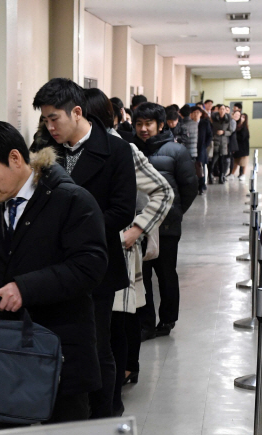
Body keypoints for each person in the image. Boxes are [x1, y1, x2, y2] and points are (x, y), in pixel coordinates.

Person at [0, 121, 108, 424]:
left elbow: (89, 267)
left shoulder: (70, 200)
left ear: (16, 158)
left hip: (59, 349)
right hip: (5, 353)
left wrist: (24, 288)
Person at [32, 78, 137, 418]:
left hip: (96, 263)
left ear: (76, 112)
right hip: (52, 265)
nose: (50, 127)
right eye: (45, 120)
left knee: (97, 346)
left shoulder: (117, 150)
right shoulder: (46, 151)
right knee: (57, 344)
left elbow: (123, 209)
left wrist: (76, 231)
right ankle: (62, 415)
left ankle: (103, 417)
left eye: (54, 119)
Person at [83, 88, 173, 412]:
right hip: (80, 259)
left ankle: (112, 402)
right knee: (97, 332)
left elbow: (164, 191)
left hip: (115, 249)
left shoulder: (121, 149)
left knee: (113, 328)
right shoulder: (63, 152)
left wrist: (136, 230)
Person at [131, 103, 198, 340]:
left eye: (148, 123)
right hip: (139, 225)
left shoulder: (176, 151)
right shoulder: (130, 149)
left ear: (160, 124)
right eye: (139, 123)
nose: (143, 128)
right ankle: (145, 323)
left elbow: (190, 186)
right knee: (143, 275)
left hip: (167, 226)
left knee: (166, 273)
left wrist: (175, 213)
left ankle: (168, 319)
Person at [211, 103, 234, 184]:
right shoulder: (213, 117)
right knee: (213, 160)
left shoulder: (228, 119)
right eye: (220, 109)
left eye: (223, 109)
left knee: (222, 160)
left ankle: (221, 176)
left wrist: (223, 132)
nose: (222, 111)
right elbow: (211, 128)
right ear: (218, 110)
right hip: (215, 141)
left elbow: (230, 131)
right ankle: (210, 175)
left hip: (224, 142)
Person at [193, 106, 213, 194]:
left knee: (201, 167)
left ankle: (201, 185)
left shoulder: (204, 123)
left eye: (198, 112)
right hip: (192, 148)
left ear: (201, 114)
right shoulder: (189, 123)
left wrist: (205, 145)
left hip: (201, 148)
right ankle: (194, 185)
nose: (196, 114)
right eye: (194, 112)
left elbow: (210, 135)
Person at [230, 113, 250, 181]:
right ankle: (232, 174)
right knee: (236, 162)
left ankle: (243, 174)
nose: (241, 118)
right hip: (237, 147)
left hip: (243, 147)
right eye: (241, 116)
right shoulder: (236, 125)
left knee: (243, 162)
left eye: (243, 117)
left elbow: (242, 137)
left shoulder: (244, 127)